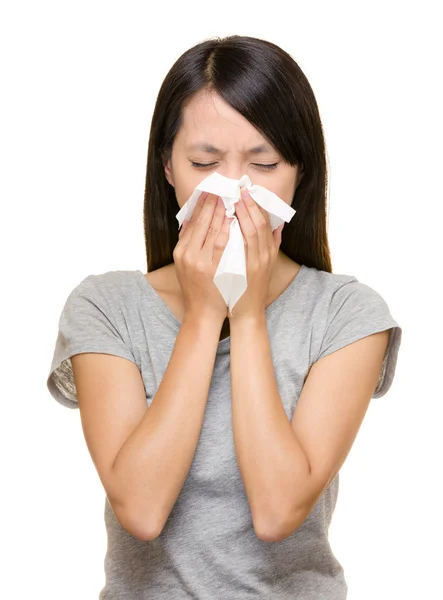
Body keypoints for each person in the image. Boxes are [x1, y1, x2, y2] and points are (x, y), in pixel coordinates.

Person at [46, 35, 402, 599]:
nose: (235, 191)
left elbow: (277, 510)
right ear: (167, 166)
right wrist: (203, 315)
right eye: (204, 163)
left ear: (299, 172)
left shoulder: (347, 314)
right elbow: (140, 507)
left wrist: (249, 312)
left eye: (263, 163)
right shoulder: (104, 307)